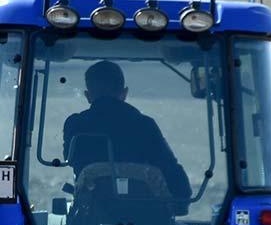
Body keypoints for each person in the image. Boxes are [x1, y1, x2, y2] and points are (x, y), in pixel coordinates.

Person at [63, 61, 191, 211]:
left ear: (88, 96)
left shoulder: (75, 124)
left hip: (90, 216)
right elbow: (170, 169)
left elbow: (70, 159)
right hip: (146, 219)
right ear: (124, 93)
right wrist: (182, 201)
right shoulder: (145, 125)